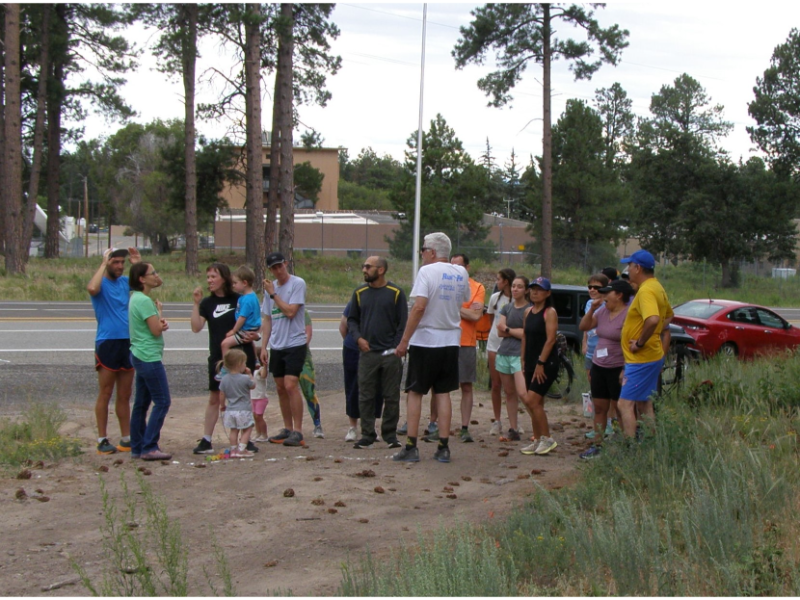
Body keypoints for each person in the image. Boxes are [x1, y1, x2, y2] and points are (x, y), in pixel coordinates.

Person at [393, 233, 469, 464]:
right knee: (443, 392)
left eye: (424, 249)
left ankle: (411, 445)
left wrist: (404, 340)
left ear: (432, 252)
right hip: (450, 339)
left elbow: (419, 307)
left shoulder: (426, 272)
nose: (422, 254)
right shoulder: (461, 272)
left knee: (415, 392)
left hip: (426, 339)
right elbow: (463, 299)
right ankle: (443, 446)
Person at [191, 263, 258, 455]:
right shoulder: (207, 303)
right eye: (208, 277)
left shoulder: (239, 298)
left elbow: (253, 321)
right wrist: (196, 304)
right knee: (215, 397)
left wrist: (257, 338)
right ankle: (206, 440)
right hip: (219, 358)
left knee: (244, 397)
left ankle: (245, 440)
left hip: (242, 355)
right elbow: (196, 327)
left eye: (213, 276)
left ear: (225, 278)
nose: (209, 280)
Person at [347, 256, 408, 449]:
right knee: (365, 395)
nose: (364, 270)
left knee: (391, 396)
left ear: (380, 270)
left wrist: (397, 346)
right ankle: (367, 435)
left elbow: (403, 322)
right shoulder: (359, 293)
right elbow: (352, 320)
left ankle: (390, 435)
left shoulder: (396, 293)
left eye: (368, 267)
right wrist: (358, 338)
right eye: (363, 266)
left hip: (391, 355)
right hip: (368, 354)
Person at [87, 247, 141, 455]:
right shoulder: (101, 283)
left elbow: (151, 282)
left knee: (125, 393)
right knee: (106, 391)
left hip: (128, 341)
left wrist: (137, 264)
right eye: (115, 262)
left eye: (122, 263)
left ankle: (126, 438)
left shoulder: (125, 282)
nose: (119, 266)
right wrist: (103, 263)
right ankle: (102, 439)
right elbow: (92, 288)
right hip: (108, 342)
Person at [618, 250, 673, 438]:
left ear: (638, 268)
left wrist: (641, 342)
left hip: (641, 357)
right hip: (650, 355)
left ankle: (630, 445)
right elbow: (668, 316)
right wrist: (654, 333)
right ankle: (649, 442)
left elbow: (653, 319)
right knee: (644, 402)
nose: (628, 270)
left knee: (624, 404)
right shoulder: (657, 287)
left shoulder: (646, 291)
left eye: (630, 266)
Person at [578, 279, 634, 459]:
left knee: (620, 408)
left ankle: (626, 446)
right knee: (600, 408)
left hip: (618, 367)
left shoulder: (629, 314)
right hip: (599, 366)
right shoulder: (602, 311)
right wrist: (592, 310)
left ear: (619, 295)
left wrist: (625, 368)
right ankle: (598, 445)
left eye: (607, 293)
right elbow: (584, 326)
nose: (603, 296)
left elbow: (632, 344)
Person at [260, 252, 308, 448]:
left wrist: (273, 294)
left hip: (295, 342)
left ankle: (298, 430)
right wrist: (264, 346)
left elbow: (290, 312)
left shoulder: (297, 284)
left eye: (280, 266)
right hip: (277, 344)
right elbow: (267, 318)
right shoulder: (269, 288)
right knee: (280, 387)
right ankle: (287, 428)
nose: (278, 270)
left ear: (286, 264)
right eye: (274, 268)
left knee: (290, 385)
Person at [128, 262, 172, 461]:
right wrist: (160, 324)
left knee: (141, 403)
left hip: (139, 354)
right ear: (141, 279)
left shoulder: (136, 298)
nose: (156, 275)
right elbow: (155, 330)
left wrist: (158, 316)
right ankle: (150, 446)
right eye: (152, 273)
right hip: (149, 357)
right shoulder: (144, 301)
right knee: (162, 401)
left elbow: (152, 325)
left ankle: (137, 446)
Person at [520, 277, 560, 456]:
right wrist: (523, 360)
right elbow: (525, 336)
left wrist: (541, 363)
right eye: (533, 288)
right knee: (536, 403)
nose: (535, 292)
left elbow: (551, 339)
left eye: (539, 289)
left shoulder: (549, 312)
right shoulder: (528, 311)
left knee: (531, 400)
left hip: (546, 363)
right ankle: (537, 439)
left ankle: (547, 438)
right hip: (530, 362)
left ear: (548, 293)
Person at [449, 254, 485, 444]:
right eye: (452, 265)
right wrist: (464, 310)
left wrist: (451, 306)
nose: (455, 269)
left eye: (459, 266)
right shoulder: (444, 284)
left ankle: (464, 427)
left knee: (466, 385)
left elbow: (475, 315)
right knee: (439, 386)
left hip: (466, 342)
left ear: (467, 268)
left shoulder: (477, 287)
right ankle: (434, 424)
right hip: (445, 340)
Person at [341, 301, 385, 442]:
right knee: (353, 387)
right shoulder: (357, 299)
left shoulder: (384, 300)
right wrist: (352, 342)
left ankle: (371, 426)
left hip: (376, 348)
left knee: (375, 388)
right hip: (354, 349)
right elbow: (344, 325)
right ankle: (353, 426)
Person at [495, 276, 531, 442]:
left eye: (520, 286)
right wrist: (514, 331)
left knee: (523, 393)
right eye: (514, 286)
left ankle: (538, 428)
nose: (515, 289)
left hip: (519, 355)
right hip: (504, 353)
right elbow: (499, 331)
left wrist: (508, 329)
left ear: (526, 290)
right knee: (509, 393)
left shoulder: (529, 310)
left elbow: (527, 334)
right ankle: (513, 428)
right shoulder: (506, 308)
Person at [486, 268, 516, 436]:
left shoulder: (517, 299)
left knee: (511, 387)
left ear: (506, 281)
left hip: (511, 345)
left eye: (499, 279)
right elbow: (491, 319)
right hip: (494, 344)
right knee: (496, 384)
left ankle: (514, 422)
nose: (497, 282)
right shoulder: (494, 298)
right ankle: (497, 420)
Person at [582, 273, 611, 440]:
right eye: (590, 287)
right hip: (591, 350)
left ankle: (609, 424)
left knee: (606, 391)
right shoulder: (588, 304)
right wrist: (584, 343)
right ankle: (598, 425)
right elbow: (586, 326)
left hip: (604, 351)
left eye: (597, 287)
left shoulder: (608, 305)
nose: (592, 290)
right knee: (594, 388)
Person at [218, 349, 257, 458]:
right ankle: (242, 448)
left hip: (230, 409)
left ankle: (233, 449)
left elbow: (222, 393)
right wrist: (250, 374)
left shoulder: (224, 379)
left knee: (233, 430)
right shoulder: (245, 378)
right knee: (248, 428)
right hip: (244, 409)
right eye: (244, 363)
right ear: (239, 364)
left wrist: (222, 405)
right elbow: (253, 385)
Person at [220, 266, 262, 357]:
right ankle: (255, 360)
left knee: (225, 344)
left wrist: (233, 331)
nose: (233, 285)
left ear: (244, 283)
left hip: (246, 329)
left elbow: (242, 318)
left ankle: (226, 364)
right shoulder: (252, 296)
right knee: (250, 343)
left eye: (235, 283)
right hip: (252, 328)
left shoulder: (247, 300)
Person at [301, 310, 324, 439]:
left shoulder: (302, 313)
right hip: (284, 354)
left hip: (303, 357)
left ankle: (317, 424)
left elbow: (308, 333)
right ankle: (291, 427)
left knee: (309, 391)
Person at [251, 365, 270, 442]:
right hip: (252, 397)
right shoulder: (250, 371)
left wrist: (265, 366)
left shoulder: (260, 370)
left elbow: (263, 375)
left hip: (260, 398)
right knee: (255, 417)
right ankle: (258, 433)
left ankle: (264, 435)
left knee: (259, 416)